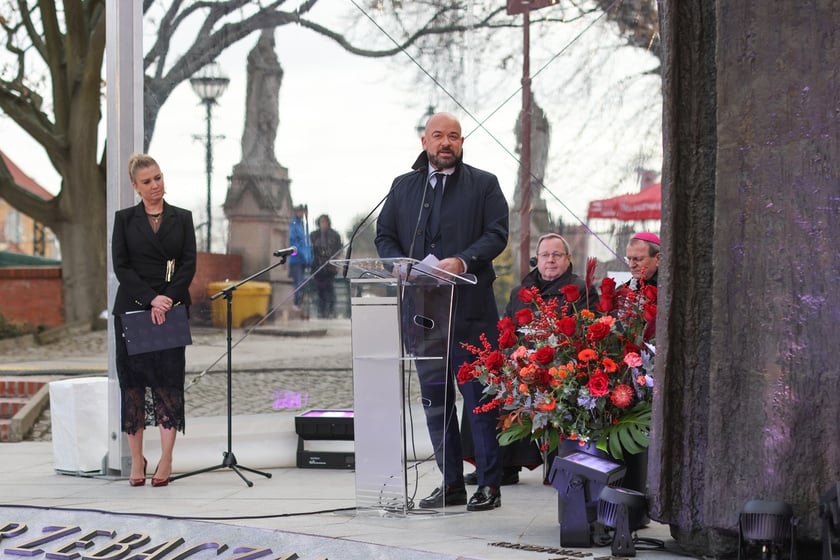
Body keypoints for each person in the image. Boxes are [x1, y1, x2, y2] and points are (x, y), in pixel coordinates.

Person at [375, 111, 509, 512]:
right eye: (438, 136)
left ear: (462, 142)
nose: (445, 143)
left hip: (470, 311)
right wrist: (396, 262)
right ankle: (450, 483)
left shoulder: (484, 184)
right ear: (424, 142)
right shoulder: (403, 187)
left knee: (479, 401)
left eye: (453, 136)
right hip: (422, 312)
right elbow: (384, 236)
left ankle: (489, 484)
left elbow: (497, 233)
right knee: (436, 402)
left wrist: (463, 261)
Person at [462, 232, 599, 485]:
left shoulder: (581, 289)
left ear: (568, 259)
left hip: (564, 364)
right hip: (523, 363)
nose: (550, 260)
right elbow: (507, 330)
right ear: (537, 259)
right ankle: (503, 464)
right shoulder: (521, 291)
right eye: (545, 255)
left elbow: (590, 327)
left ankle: (561, 463)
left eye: (556, 255)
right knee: (484, 385)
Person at [111, 154, 197, 487]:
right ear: (135, 186)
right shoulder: (124, 220)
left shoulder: (182, 218)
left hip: (172, 309)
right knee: (133, 387)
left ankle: (167, 459)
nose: (155, 186)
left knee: (168, 385)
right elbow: (122, 267)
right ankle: (136, 459)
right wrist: (150, 299)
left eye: (158, 178)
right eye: (147, 181)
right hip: (134, 309)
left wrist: (167, 299)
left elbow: (188, 264)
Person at [309, 214, 343, 318]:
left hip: (330, 267)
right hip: (317, 267)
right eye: (321, 222)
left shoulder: (335, 235)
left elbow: (338, 249)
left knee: (330, 289)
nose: (323, 224)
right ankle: (321, 311)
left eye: (325, 222)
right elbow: (311, 250)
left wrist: (333, 261)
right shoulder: (314, 235)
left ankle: (331, 310)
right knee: (319, 290)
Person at [288, 204, 312, 308]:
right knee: (297, 282)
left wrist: (309, 257)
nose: (302, 214)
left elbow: (306, 243)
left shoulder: (302, 225)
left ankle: (299, 303)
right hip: (296, 259)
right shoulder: (293, 225)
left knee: (301, 283)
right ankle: (296, 303)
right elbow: (294, 242)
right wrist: (302, 254)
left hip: (303, 260)